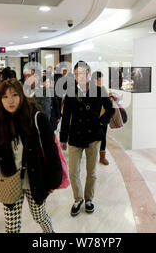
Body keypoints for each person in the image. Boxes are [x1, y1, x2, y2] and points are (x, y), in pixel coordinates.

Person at [0, 79, 62, 233]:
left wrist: (53, 181)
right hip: (10, 178)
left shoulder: (37, 117)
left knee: (39, 216)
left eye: (14, 95)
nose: (10, 101)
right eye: (5, 97)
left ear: (22, 95)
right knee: (12, 227)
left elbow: (51, 150)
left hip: (34, 178)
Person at [60, 61, 114, 216]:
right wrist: (63, 138)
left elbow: (110, 109)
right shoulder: (71, 93)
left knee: (92, 172)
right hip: (75, 136)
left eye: (83, 73)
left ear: (89, 74)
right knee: (73, 172)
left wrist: (102, 123)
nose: (80, 77)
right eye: (77, 74)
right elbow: (66, 117)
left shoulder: (99, 91)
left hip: (94, 137)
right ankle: (78, 199)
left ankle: (89, 199)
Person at [91, 71, 110, 165]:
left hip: (103, 118)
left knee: (103, 136)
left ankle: (102, 157)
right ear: (95, 79)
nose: (101, 81)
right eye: (100, 79)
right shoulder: (90, 90)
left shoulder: (103, 89)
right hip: (93, 118)